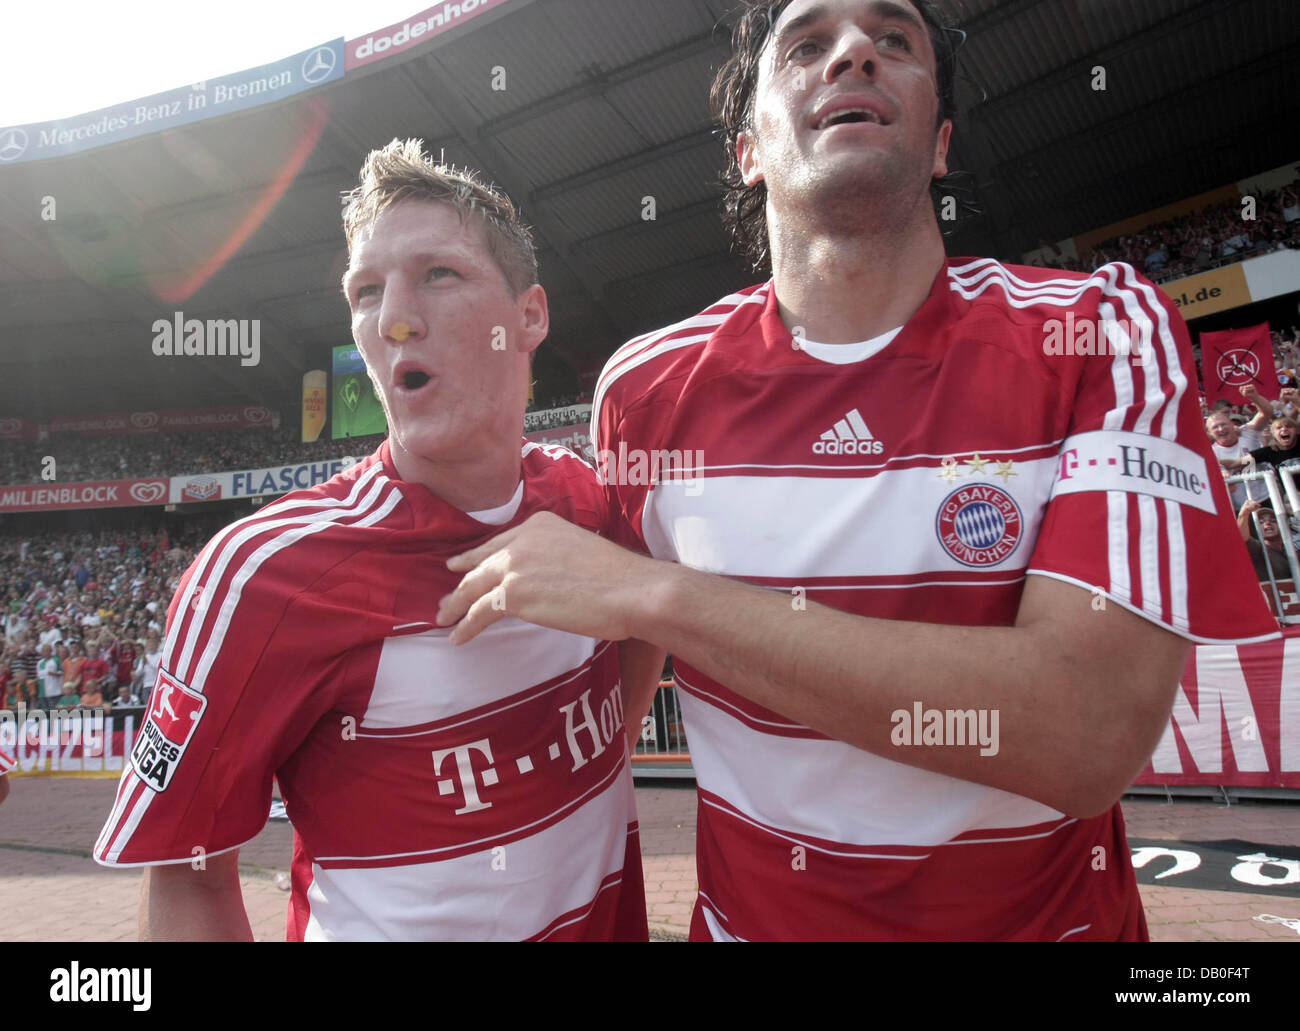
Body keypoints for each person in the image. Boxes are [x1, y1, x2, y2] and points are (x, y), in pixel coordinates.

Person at [436, 0, 1280, 940]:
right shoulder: (644, 390)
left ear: (942, 141)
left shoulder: (1105, 331)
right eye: (806, 44)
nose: (852, 54)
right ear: (750, 146)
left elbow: (1088, 733)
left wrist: (661, 597)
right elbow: (610, 713)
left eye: (894, 41)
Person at [94, 140, 653, 942]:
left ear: (529, 316)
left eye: (439, 274)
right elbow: (188, 874)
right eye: (365, 290)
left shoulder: (592, 502)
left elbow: (637, 646)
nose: (392, 316)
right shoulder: (263, 576)